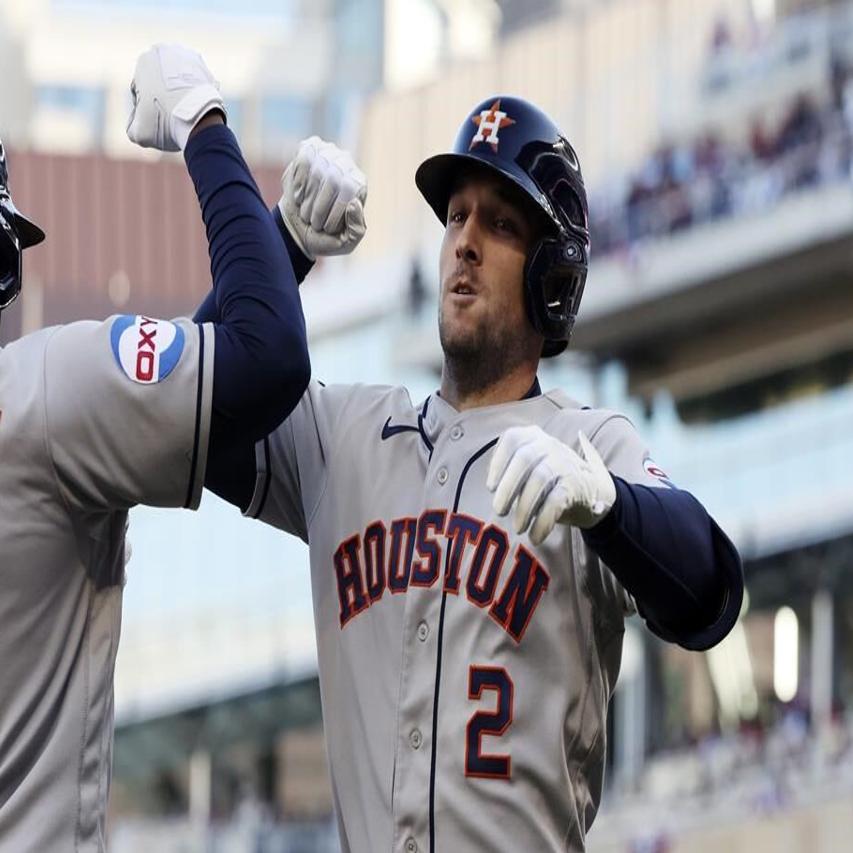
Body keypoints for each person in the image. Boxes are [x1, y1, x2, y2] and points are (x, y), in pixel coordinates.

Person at [199, 96, 744, 853]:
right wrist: (281, 243)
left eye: (500, 224)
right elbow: (192, 411)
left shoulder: (583, 445)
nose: (464, 243)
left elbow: (710, 594)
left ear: (553, 274)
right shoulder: (345, 434)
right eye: (456, 216)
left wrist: (609, 505)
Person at [0, 43, 365, 851]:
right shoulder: (33, 393)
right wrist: (203, 120)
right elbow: (263, 355)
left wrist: (284, 247)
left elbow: (173, 402)